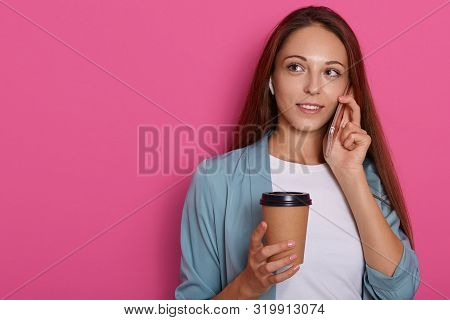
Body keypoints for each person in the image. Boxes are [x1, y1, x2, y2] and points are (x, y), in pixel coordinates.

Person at [174, 5, 420, 300]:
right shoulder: (216, 182)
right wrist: (249, 284)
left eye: (331, 72)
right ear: (271, 80)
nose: (313, 87)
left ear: (348, 89)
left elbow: (400, 292)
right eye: (296, 67)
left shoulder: (366, 180)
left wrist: (350, 175)